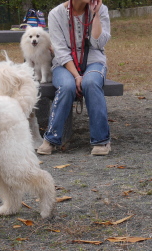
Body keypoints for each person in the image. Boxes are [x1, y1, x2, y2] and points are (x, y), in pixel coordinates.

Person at [37, 0, 112, 156]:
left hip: (93, 62)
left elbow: (99, 43)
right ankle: (51, 139)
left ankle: (101, 141)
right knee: (66, 86)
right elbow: (60, 51)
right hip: (64, 64)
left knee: (91, 82)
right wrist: (77, 76)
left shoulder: (101, 9)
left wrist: (95, 14)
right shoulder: (56, 14)